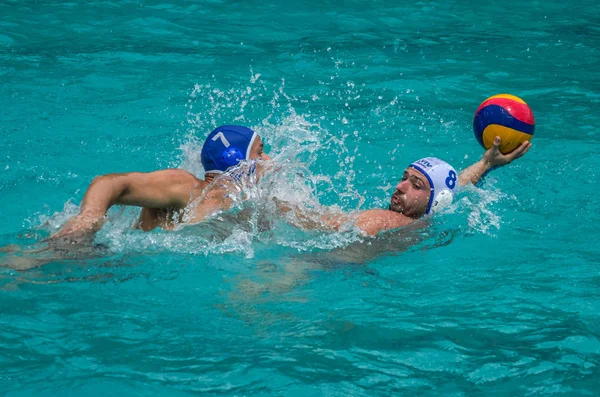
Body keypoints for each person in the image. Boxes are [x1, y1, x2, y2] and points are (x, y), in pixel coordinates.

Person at [49, 125, 271, 244]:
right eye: (260, 152)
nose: (268, 160)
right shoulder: (188, 188)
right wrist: (90, 216)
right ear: (236, 159)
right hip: (101, 261)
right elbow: (109, 182)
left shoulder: (254, 205)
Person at [276, 136, 531, 236]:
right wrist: (486, 162)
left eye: (415, 184)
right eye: (404, 177)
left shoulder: (385, 220)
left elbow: (313, 223)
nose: (400, 186)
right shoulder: (432, 220)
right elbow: (458, 185)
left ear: (435, 200)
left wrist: (272, 201)